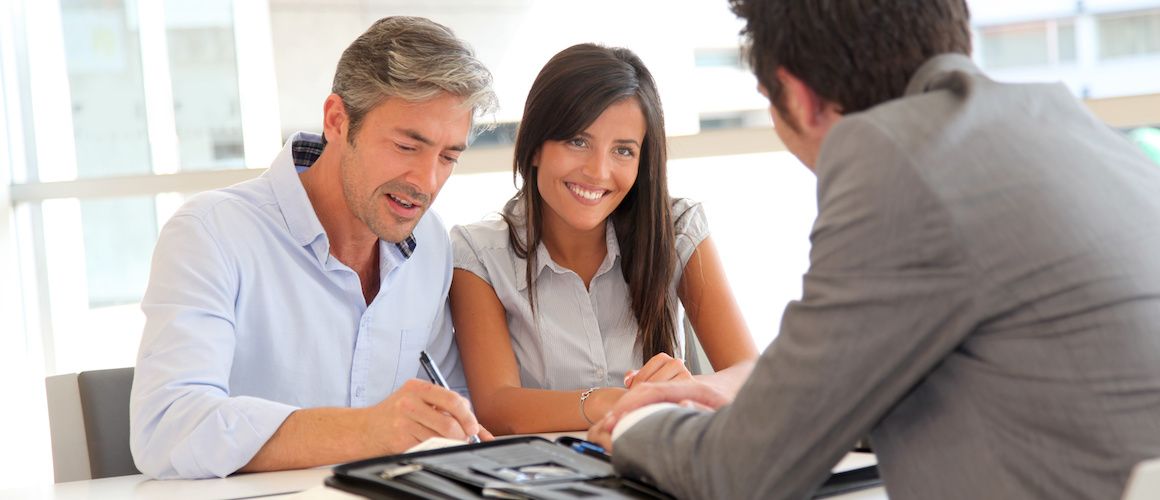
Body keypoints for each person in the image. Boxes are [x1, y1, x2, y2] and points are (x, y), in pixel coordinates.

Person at [588, 1, 1160, 499]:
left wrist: (641, 423)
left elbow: (738, 474)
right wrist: (752, 405)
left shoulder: (896, 157)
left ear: (801, 97)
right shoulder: (1074, 128)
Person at [129, 16, 498, 479]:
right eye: (407, 146)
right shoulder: (210, 233)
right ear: (337, 120)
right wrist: (368, 431)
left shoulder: (429, 245)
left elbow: (447, 414)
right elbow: (166, 428)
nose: (427, 182)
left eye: (448, 157)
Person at [448, 44, 758, 434]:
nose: (598, 172)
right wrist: (609, 401)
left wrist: (689, 389)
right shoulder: (477, 254)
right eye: (578, 141)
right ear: (536, 146)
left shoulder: (677, 228)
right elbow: (497, 406)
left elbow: (749, 372)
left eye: (623, 151)